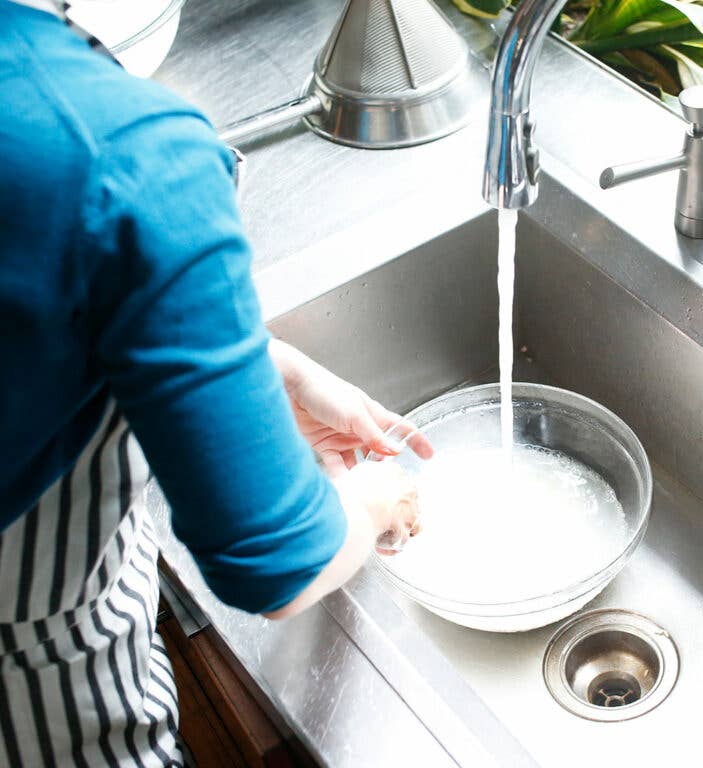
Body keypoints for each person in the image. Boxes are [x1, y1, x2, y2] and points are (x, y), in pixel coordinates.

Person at [0, 1, 432, 765]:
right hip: (37, 693)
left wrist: (268, 368)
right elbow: (278, 570)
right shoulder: (124, 151)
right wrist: (367, 505)